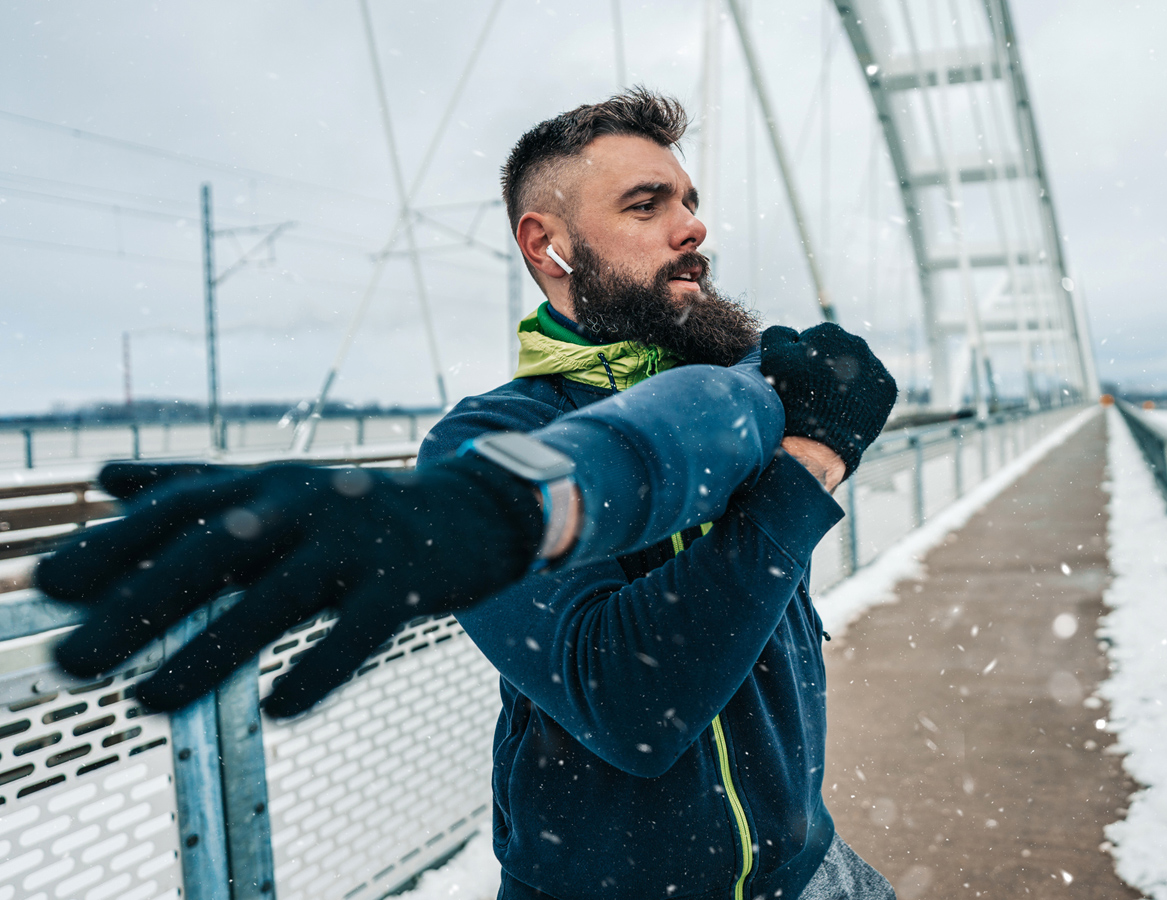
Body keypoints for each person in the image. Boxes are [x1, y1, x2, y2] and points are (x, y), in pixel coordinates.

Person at [34, 89, 898, 899]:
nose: (693, 227)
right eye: (647, 205)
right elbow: (632, 704)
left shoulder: (747, 390)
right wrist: (808, 468)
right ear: (546, 245)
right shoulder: (486, 442)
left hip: (810, 868)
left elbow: (699, 418)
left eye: (688, 199)